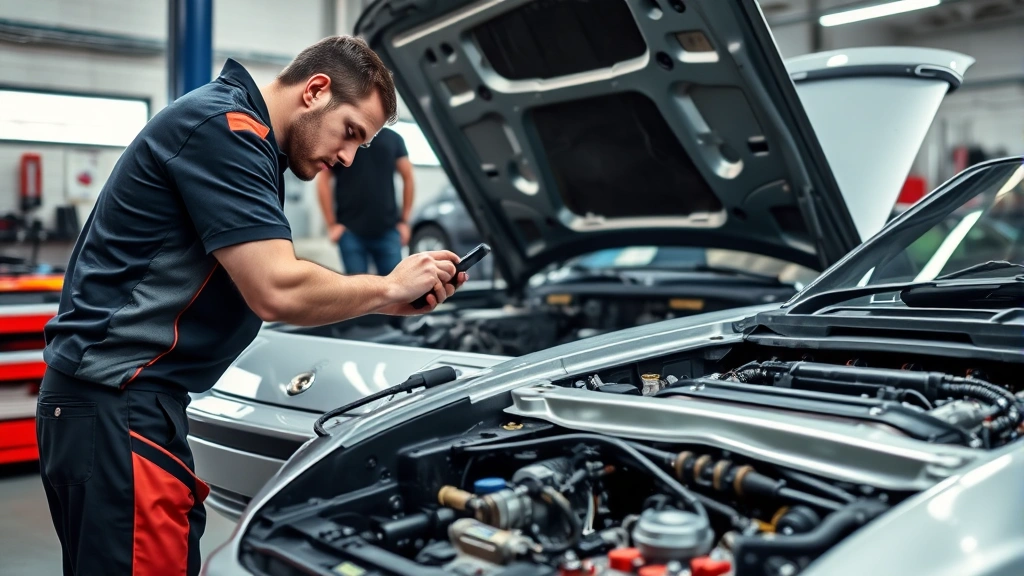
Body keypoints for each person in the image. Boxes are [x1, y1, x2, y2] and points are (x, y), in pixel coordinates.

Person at [37, 36, 466, 576]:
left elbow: (259, 287)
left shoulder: (241, 135)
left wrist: (383, 302)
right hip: (118, 403)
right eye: (352, 133)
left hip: (120, 405)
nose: (349, 158)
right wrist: (385, 287)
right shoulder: (226, 129)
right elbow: (277, 289)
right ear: (315, 90)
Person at [317, 125, 414, 275]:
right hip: (350, 232)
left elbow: (408, 178)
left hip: (388, 230)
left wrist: (404, 221)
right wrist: (331, 224)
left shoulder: (394, 139)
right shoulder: (342, 140)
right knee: (356, 293)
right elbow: (323, 181)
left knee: (395, 291)